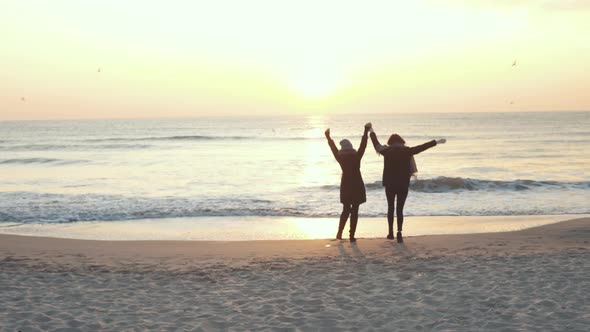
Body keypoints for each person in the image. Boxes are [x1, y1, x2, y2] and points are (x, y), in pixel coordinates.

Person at [369, 124, 446, 242]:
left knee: (390, 208)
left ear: (390, 142)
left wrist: (371, 131)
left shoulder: (386, 151)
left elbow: (376, 144)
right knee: (400, 209)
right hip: (403, 184)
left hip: (390, 184)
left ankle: (390, 233)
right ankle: (399, 233)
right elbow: (422, 147)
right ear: (401, 141)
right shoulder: (407, 151)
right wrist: (436, 142)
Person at [325, 124, 370, 242]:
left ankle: (339, 234)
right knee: (355, 210)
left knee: (345, 210)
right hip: (357, 185)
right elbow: (363, 146)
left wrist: (328, 137)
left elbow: (333, 148)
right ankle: (351, 235)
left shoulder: (340, 158)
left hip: (346, 185)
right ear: (351, 147)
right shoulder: (356, 156)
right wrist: (365, 131)